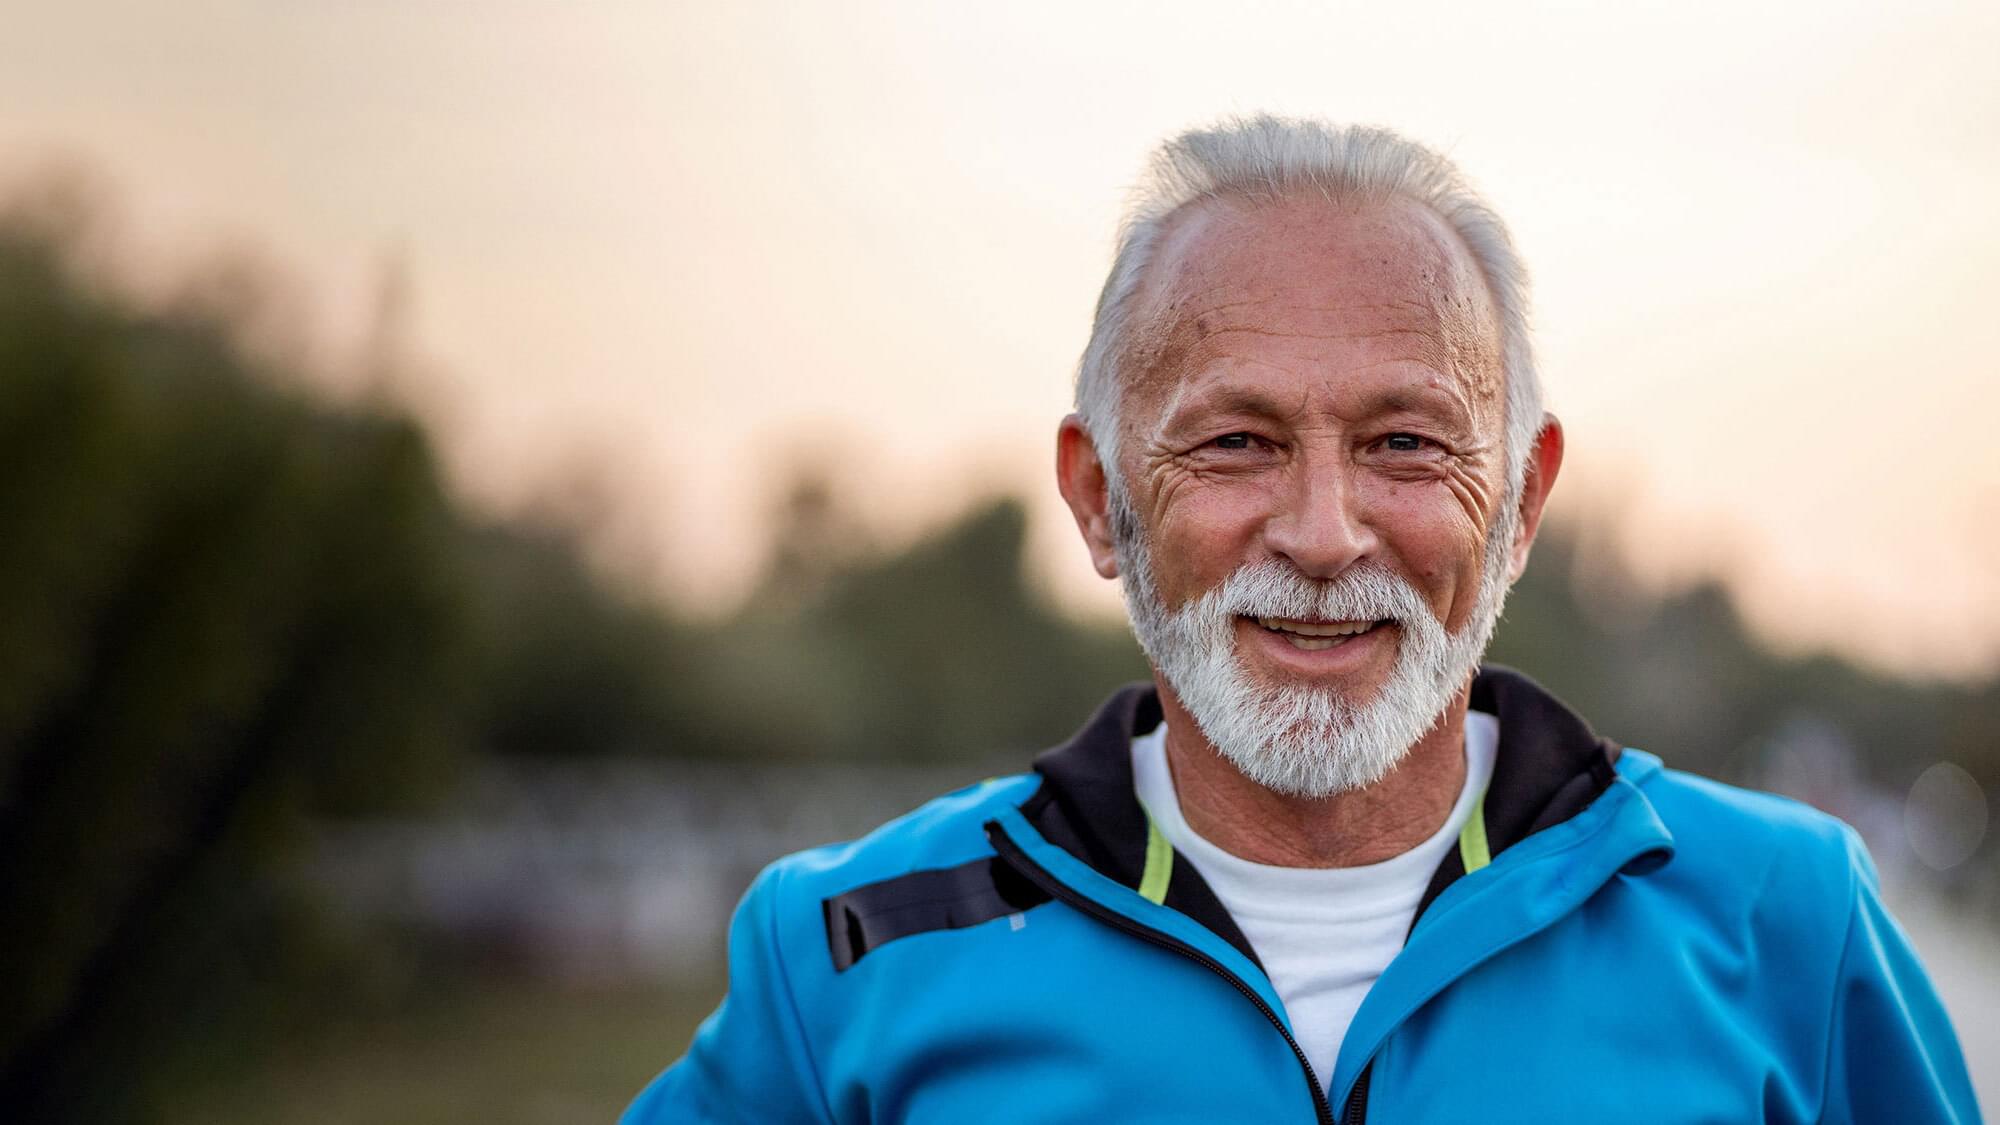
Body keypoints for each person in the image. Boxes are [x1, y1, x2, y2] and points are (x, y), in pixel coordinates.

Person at [624, 117, 1979, 1123]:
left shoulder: (1784, 917)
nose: (1326, 534)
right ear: (1101, 501)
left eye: (1404, 442)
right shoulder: (850, 952)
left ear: (1519, 502)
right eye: (1233, 443)